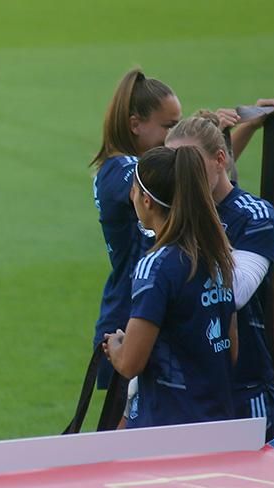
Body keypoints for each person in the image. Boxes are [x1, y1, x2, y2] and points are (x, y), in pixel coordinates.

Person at [50, 144, 237, 488]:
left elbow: (131, 362)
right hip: (217, 429)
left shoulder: (158, 263)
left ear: (146, 199)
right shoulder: (216, 252)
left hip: (164, 432)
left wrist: (114, 347)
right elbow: (230, 341)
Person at [165, 107, 274, 439]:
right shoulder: (167, 211)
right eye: (174, 165)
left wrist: (196, 216)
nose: (182, 176)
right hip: (182, 383)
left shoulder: (255, 215)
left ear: (221, 160)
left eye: (190, 164)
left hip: (242, 383)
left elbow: (235, 292)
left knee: (253, 484)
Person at [89, 68, 181, 389]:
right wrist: (199, 141)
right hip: (128, 318)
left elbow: (196, 183)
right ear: (135, 124)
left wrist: (224, 139)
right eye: (170, 127)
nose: (174, 137)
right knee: (125, 432)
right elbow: (180, 183)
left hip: (147, 311)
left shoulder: (139, 168)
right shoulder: (120, 170)